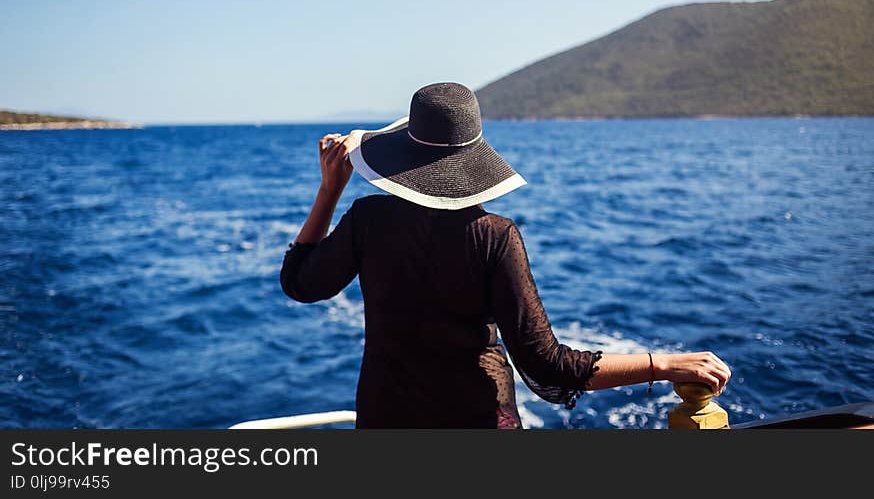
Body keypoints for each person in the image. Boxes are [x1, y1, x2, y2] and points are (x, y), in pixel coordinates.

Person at [280, 82, 730, 428]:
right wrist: (664, 365)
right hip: (476, 422)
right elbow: (547, 365)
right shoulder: (494, 236)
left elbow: (300, 284)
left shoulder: (367, 218)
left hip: (387, 419)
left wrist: (329, 190)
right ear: (475, 158)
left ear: (404, 155)